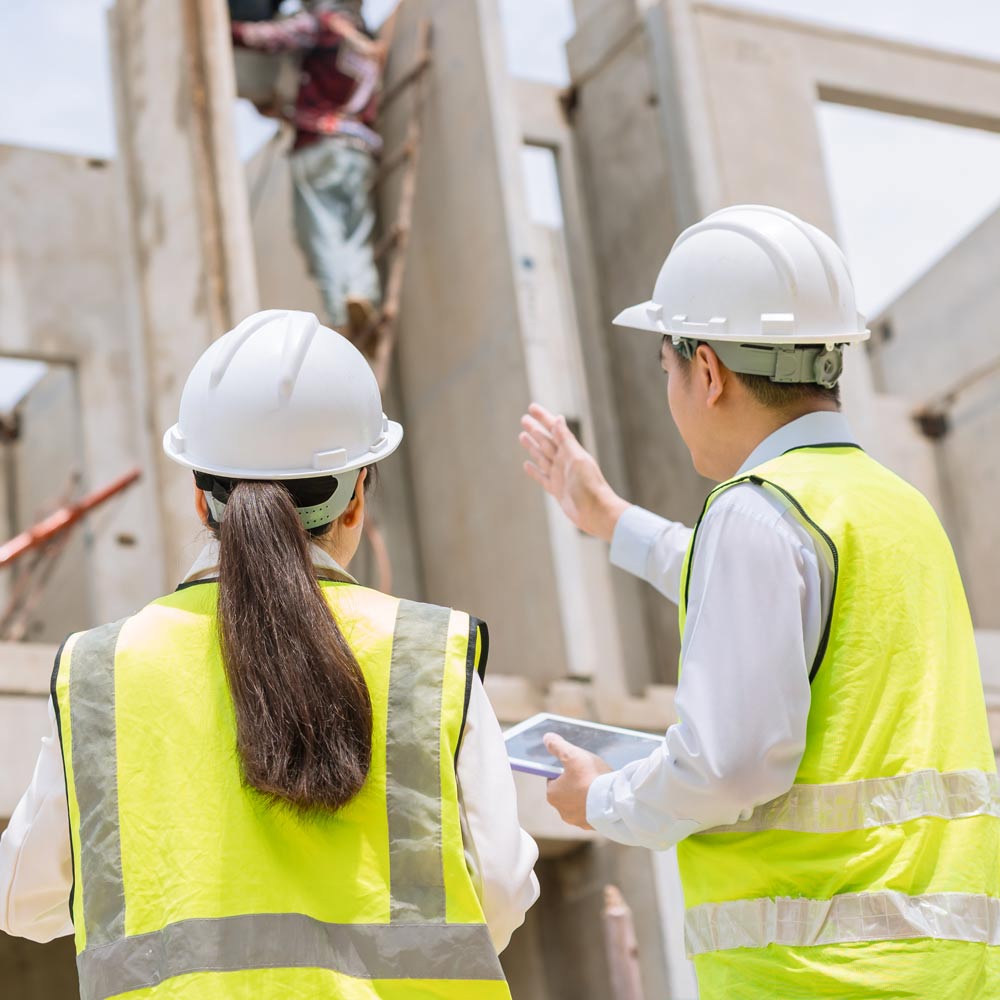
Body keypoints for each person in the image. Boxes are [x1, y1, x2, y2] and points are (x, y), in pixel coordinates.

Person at [518, 205, 1000, 998]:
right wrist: (612, 520)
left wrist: (601, 796)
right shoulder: (892, 507)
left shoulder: (757, 511)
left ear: (706, 371)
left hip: (817, 980)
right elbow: (771, 602)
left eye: (667, 369)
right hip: (949, 976)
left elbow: (731, 765)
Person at [0, 310, 538, 998]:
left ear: (202, 500)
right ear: (355, 501)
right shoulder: (425, 656)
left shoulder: (105, 669)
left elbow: (23, 899)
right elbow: (498, 895)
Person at [231, 1, 384, 338]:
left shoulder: (321, 24)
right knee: (355, 232)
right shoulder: (365, 39)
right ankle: (361, 294)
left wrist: (225, 30)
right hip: (360, 149)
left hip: (319, 144)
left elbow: (267, 37)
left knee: (321, 232)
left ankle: (339, 314)